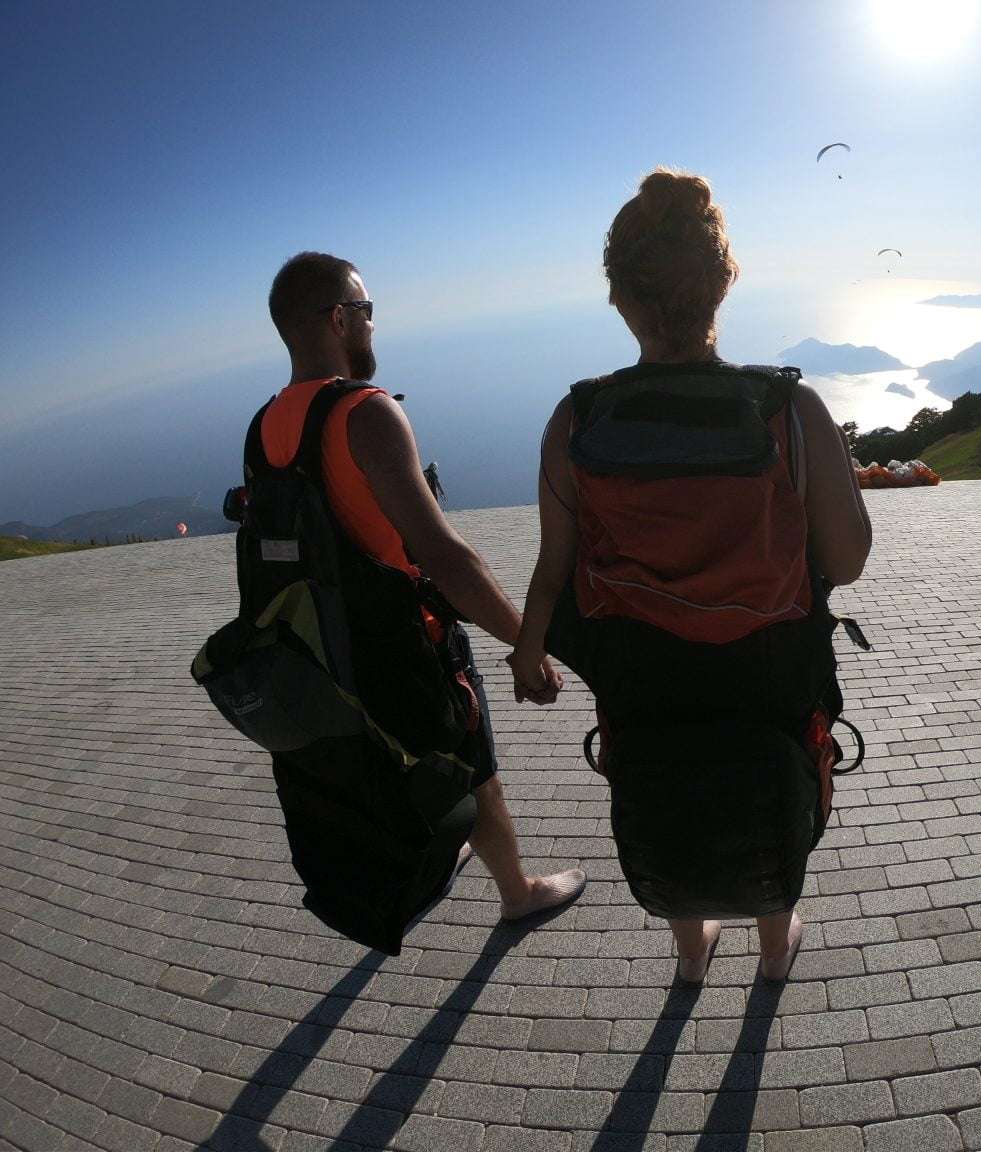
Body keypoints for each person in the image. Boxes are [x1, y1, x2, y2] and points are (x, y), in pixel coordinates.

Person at [511, 171, 872, 984]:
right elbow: (846, 562)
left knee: (661, 788)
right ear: (721, 285)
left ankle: (690, 951)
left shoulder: (577, 421)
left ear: (620, 297)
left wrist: (529, 651)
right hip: (771, 672)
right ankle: (775, 949)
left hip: (642, 681)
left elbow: (552, 566)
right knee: (773, 784)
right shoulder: (790, 413)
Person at [261, 252, 585, 927]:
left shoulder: (265, 426)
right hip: (408, 643)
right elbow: (446, 560)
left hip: (334, 648)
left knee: (442, 766)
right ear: (340, 318)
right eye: (367, 312)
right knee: (478, 764)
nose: (374, 328)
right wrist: (530, 640)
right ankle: (518, 894)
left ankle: (468, 851)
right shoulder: (365, 413)